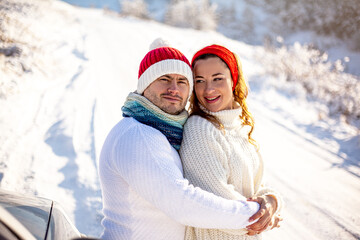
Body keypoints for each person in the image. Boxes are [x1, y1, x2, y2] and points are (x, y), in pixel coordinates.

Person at [98, 39, 263, 240]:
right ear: (145, 85)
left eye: (182, 81)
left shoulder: (166, 134)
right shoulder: (138, 134)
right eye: (164, 79)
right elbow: (182, 202)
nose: (174, 89)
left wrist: (270, 200)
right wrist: (256, 214)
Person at [179, 44, 283, 240]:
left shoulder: (238, 126)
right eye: (199, 80)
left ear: (233, 80)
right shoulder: (199, 128)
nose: (208, 89)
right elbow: (217, 206)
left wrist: (272, 201)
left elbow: (257, 185)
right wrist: (265, 221)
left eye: (217, 79)